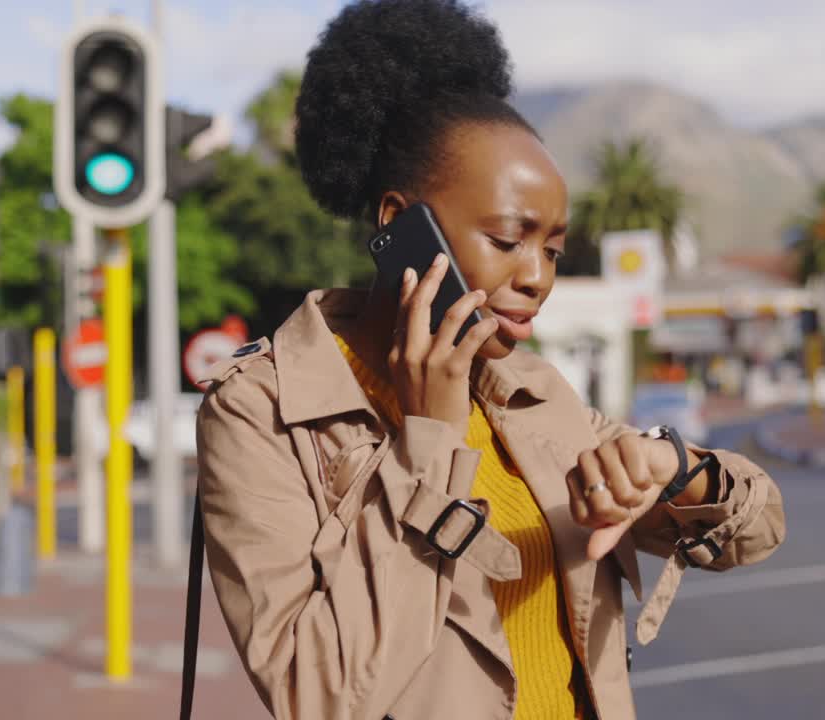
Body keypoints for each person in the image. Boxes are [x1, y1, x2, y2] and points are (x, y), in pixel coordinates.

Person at [195, 2, 786, 718]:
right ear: (400, 225)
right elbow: (315, 696)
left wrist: (673, 469)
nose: (539, 275)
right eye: (510, 239)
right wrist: (430, 444)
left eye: (555, 250)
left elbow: (753, 531)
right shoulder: (261, 410)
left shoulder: (528, 388)